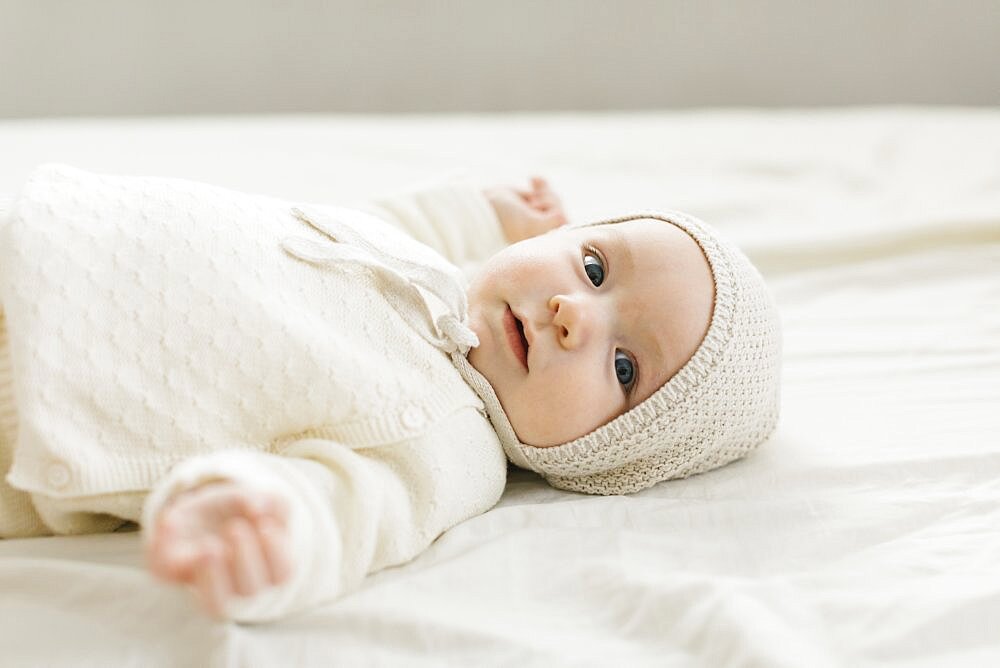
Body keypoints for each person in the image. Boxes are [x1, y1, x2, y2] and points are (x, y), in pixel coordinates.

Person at [0, 164, 780, 621]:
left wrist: (268, 520)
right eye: (596, 268)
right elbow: (384, 219)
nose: (574, 314)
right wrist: (482, 212)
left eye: (623, 369)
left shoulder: (450, 448)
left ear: (606, 452)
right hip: (32, 231)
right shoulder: (424, 265)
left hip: (34, 401)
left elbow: (353, 508)